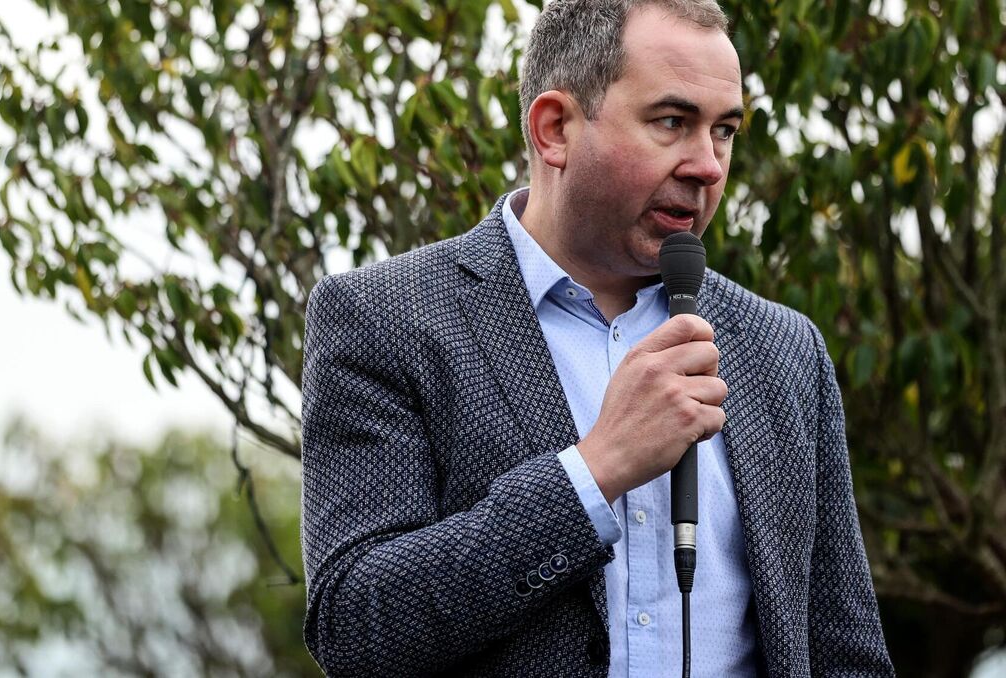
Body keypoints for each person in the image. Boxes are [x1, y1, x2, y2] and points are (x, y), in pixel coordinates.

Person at [299, 0, 894, 675]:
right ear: (554, 129)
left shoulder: (784, 350)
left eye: (723, 131)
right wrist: (594, 470)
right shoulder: (385, 318)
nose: (708, 165)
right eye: (672, 122)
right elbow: (355, 627)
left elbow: (848, 653)